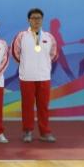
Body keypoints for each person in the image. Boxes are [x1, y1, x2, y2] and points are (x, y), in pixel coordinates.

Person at [11, 8, 58, 143]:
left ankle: (45, 132)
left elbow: (54, 54)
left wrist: (43, 64)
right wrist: (26, 64)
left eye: (39, 18)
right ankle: (27, 131)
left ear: (42, 20)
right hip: (27, 77)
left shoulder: (49, 37)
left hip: (44, 77)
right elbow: (15, 53)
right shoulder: (21, 36)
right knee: (27, 106)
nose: (36, 20)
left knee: (43, 106)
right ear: (28, 20)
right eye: (33, 18)